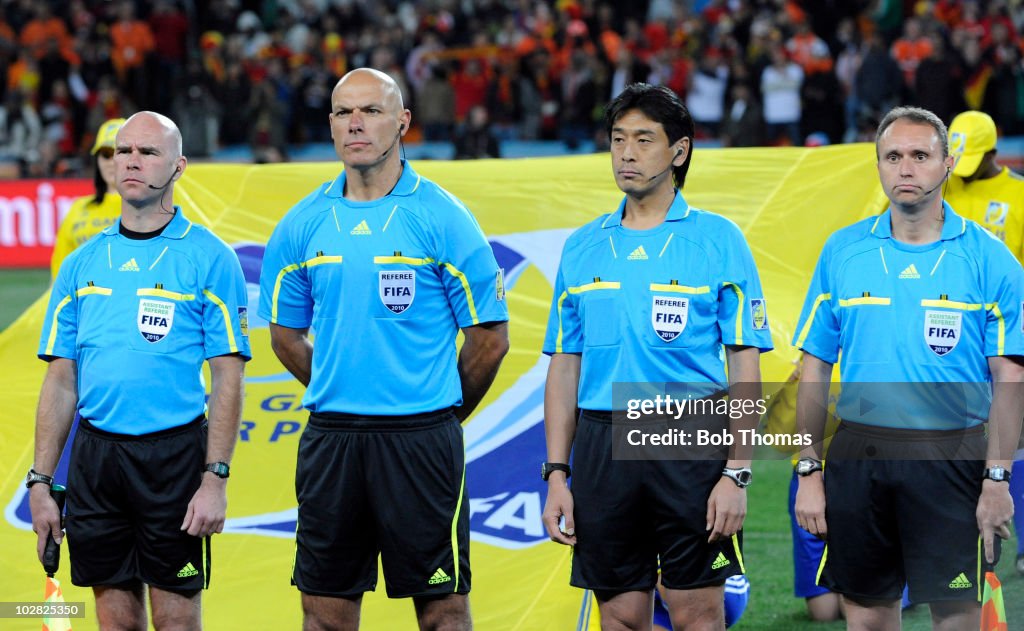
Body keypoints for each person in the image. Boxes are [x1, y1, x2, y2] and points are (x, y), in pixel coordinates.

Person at [257, 67, 509, 630]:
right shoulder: (302, 223)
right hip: (332, 440)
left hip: (421, 440)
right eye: (344, 112)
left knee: (443, 614)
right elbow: (284, 336)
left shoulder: (444, 217)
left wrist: (439, 408)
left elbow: (490, 339)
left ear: (403, 122)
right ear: (329, 125)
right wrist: (339, 384)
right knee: (323, 614)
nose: (356, 124)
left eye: (371, 111)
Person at [541, 83, 772, 630]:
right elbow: (564, 366)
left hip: (688, 436)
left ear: (679, 151)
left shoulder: (719, 240)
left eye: (644, 139)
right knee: (619, 615)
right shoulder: (582, 246)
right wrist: (556, 473)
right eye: (618, 139)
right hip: (602, 442)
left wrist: (737, 474)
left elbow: (744, 365)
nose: (626, 152)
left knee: (698, 613)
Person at [793, 106, 1023, 631]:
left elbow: (1010, 378)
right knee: (868, 615)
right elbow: (815, 367)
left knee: (957, 614)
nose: (906, 168)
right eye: (893, 156)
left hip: (953, 455)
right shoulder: (842, 252)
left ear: (946, 164)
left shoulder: (991, 259)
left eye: (920, 155)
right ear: (878, 165)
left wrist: (996, 479)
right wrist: (808, 467)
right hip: (859, 455)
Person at [29, 111, 250, 630]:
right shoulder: (81, 263)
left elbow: (228, 379)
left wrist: (215, 478)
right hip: (98, 460)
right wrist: (41, 482)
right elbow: (61, 380)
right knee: (116, 622)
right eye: (124, 150)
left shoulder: (210, 258)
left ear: (178, 167)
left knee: (175, 621)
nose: (132, 161)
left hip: (173, 459)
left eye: (149, 153)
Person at [945, 109, 1024, 576]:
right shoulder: (945, 187)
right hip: (951, 339)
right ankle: (955, 546)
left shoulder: (1018, 195)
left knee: (1013, 441)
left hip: (1007, 335)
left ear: (995, 152)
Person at [50, 117, 125, 278]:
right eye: (105, 154)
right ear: (97, 159)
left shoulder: (149, 207)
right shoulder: (79, 208)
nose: (111, 162)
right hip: (81, 300)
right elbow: (60, 273)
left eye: (119, 152)